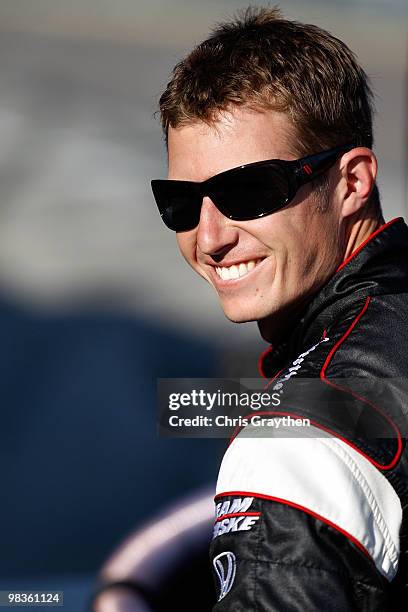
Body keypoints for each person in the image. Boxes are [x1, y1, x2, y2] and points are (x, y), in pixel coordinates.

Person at [151, 6, 408, 611]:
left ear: (352, 181)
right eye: (181, 203)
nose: (210, 238)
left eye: (250, 191)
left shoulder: (292, 446)